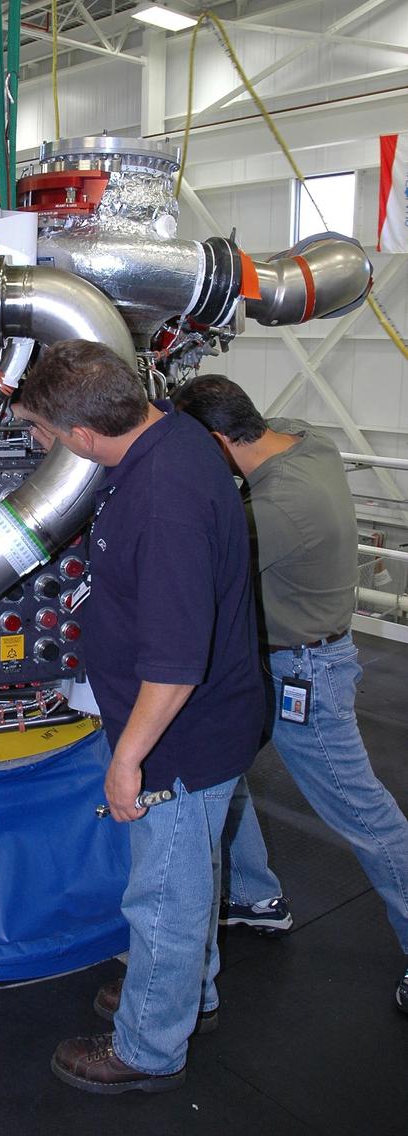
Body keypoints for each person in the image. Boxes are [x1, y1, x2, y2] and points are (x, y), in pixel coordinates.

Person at [13, 340, 266, 1094]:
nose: (38, 446)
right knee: (185, 876)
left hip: (177, 738)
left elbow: (175, 661)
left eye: (42, 435)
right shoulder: (172, 435)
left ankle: (149, 1047)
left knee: (163, 895)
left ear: (84, 436)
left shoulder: (163, 497)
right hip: (197, 723)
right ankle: (184, 994)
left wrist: (128, 760)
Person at [174, 374, 408, 1014]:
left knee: (364, 816)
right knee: (227, 771)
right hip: (274, 661)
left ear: (219, 444)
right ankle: (253, 894)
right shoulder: (310, 443)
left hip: (305, 674)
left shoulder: (276, 512)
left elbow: (196, 557)